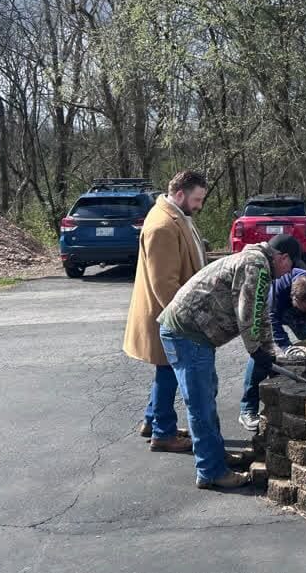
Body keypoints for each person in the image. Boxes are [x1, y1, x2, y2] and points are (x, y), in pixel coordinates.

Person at [156, 233, 302, 490]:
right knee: (200, 405)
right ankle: (211, 471)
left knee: (207, 397)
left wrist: (268, 352)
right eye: (291, 264)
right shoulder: (255, 266)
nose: (290, 271)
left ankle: (215, 457)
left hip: (194, 334)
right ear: (283, 258)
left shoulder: (258, 263)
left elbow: (260, 315)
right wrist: (258, 352)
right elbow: (248, 314)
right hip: (187, 334)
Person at [122, 170, 208, 453]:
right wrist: (185, 319)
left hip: (167, 315)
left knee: (166, 369)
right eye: (196, 199)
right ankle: (163, 432)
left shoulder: (177, 217)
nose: (199, 205)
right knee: (168, 371)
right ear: (180, 194)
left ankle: (152, 420)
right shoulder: (162, 225)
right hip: (166, 316)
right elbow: (164, 283)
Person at [237, 268, 306, 431]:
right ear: (292, 297)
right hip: (275, 313)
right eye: (305, 306)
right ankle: (248, 409)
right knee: (263, 353)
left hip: (304, 320)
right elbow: (270, 322)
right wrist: (286, 347)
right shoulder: (278, 289)